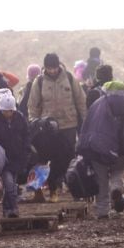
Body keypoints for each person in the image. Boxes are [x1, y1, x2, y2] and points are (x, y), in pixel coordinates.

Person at [28, 52, 87, 202]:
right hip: (47, 128)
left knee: (66, 159)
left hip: (68, 125)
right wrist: (34, 123)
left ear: (58, 66)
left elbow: (80, 100)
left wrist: (85, 120)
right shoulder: (39, 81)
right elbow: (33, 105)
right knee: (45, 158)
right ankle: (47, 190)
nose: (52, 71)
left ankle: (60, 185)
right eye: (49, 68)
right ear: (45, 67)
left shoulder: (69, 78)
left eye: (54, 68)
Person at [78, 80, 124, 218]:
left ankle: (102, 211)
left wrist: (83, 146)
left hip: (99, 150)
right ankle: (116, 188)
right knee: (117, 172)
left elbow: (88, 126)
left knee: (101, 179)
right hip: (120, 149)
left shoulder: (97, 106)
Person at [0, 89, 30, 218]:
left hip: (17, 157)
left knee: (11, 184)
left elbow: (26, 135)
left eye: (10, 111)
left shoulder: (20, 119)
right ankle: (12, 209)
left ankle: (8, 209)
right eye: (6, 111)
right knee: (9, 184)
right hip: (3, 159)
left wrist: (26, 151)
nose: (8, 113)